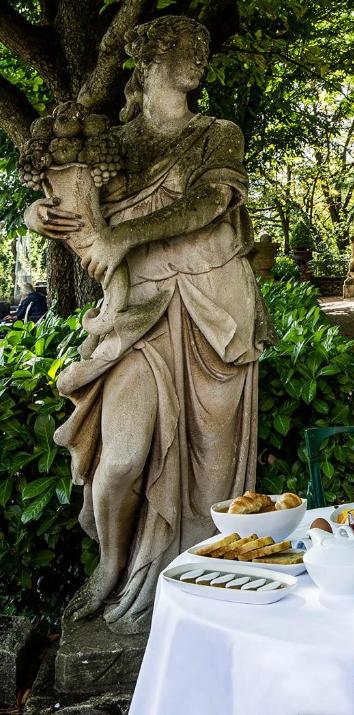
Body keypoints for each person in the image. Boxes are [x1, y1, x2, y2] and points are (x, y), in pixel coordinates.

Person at [23, 16, 273, 633]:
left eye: (203, 47)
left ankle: (199, 586)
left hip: (215, 309)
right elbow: (73, 205)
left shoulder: (218, 134)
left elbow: (213, 201)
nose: (199, 57)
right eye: (186, 46)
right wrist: (37, 213)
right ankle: (113, 566)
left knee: (214, 472)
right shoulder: (111, 145)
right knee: (121, 459)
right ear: (151, 59)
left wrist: (125, 235)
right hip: (138, 311)